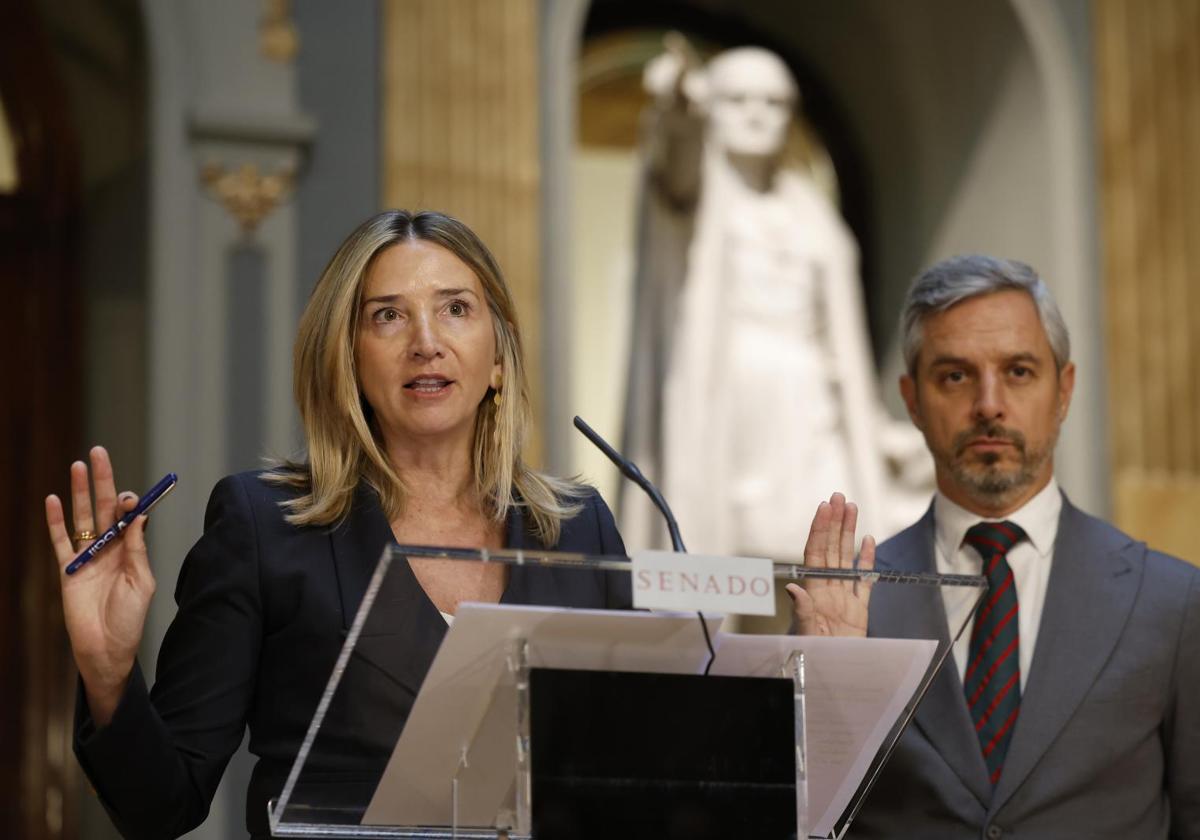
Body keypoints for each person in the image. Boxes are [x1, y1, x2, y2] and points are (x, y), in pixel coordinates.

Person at [44, 209, 870, 840]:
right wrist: (110, 673)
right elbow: (164, 805)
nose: (427, 343)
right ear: (348, 359)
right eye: (388, 316)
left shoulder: (578, 529)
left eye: (456, 309)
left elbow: (653, 779)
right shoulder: (265, 526)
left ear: (499, 355)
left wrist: (816, 673)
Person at [853, 255, 1199, 838]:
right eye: (956, 376)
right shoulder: (852, 601)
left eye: (1017, 371)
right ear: (911, 400)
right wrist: (826, 672)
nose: (989, 404)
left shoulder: (1170, 602)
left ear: (1062, 390)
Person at [621, 38, 930, 560]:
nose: (757, 115)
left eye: (772, 103)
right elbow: (678, 161)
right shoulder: (693, 195)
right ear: (711, 107)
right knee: (725, 567)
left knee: (823, 555)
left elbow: (841, 348)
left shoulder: (809, 208)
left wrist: (877, 433)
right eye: (739, 100)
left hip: (809, 409)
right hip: (728, 399)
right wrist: (677, 108)